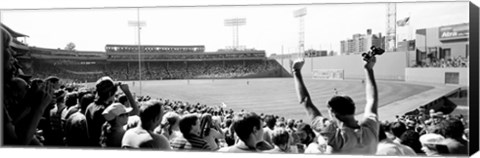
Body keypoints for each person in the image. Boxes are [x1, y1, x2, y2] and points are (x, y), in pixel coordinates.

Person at [291, 53, 380, 154]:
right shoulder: (371, 129)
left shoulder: (335, 136)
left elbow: (305, 101)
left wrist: (296, 71)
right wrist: (368, 69)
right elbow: (372, 99)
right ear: (352, 108)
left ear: (332, 113)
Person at [85, 76, 138, 147]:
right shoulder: (107, 111)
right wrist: (127, 91)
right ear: (110, 93)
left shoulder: (90, 107)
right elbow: (135, 111)